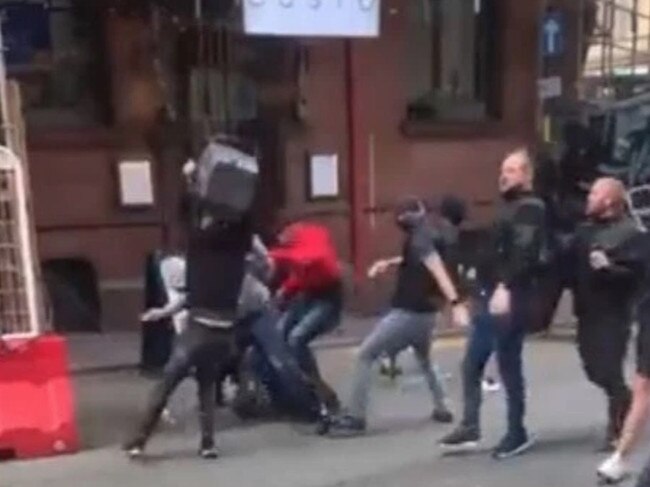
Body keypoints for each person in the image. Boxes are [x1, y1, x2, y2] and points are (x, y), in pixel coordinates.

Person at [123, 143, 257, 460]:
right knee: (206, 386)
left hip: (198, 328)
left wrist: (191, 179)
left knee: (166, 382)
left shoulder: (198, 247)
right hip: (225, 333)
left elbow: (188, 211)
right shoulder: (239, 250)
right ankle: (208, 443)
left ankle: (138, 440)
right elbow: (244, 220)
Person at [325, 196, 470, 437]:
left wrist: (456, 303)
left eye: (402, 216)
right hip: (427, 314)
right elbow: (422, 260)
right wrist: (391, 262)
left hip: (409, 313)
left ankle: (355, 417)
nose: (399, 220)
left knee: (366, 354)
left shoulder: (421, 237)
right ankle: (444, 407)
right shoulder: (435, 234)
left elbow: (436, 268)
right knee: (424, 359)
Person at [439, 148, 547, 459]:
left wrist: (505, 285)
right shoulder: (509, 207)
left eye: (512, 170)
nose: (504, 175)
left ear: (526, 176)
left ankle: (517, 432)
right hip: (490, 296)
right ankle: (470, 426)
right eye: (503, 169)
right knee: (473, 363)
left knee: (508, 364)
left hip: (512, 296)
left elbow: (524, 252)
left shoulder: (530, 208)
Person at [567, 177, 644, 460]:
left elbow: (636, 275)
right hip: (586, 311)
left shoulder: (629, 234)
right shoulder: (584, 231)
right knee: (593, 369)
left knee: (608, 370)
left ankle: (619, 426)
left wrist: (609, 268)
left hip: (614, 314)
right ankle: (630, 405)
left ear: (610, 201)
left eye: (595, 194)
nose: (589, 199)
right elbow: (566, 263)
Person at [267, 221, 344, 413]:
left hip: (328, 298)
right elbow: (301, 274)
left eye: (283, 236)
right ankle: (295, 389)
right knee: (278, 336)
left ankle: (319, 390)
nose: (282, 241)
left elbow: (314, 258)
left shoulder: (311, 239)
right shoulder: (296, 252)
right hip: (308, 294)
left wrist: (275, 255)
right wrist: (285, 290)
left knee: (297, 338)